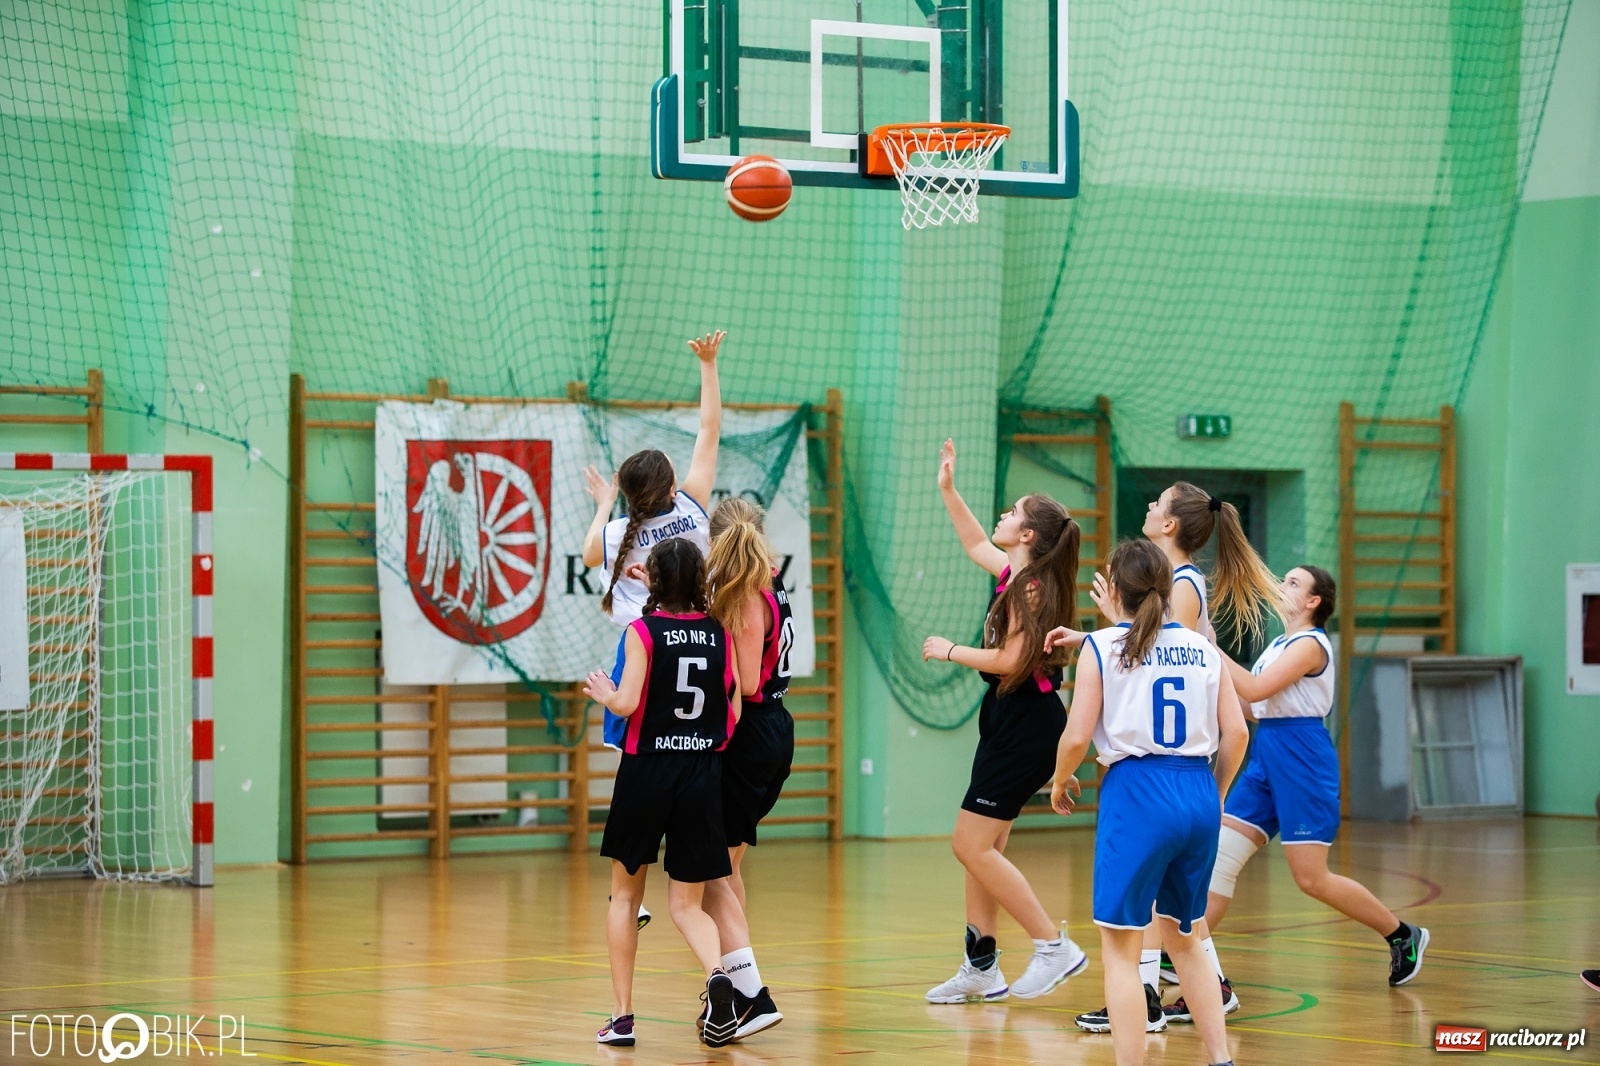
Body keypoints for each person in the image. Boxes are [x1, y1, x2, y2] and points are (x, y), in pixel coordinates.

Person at [1055, 482, 1278, 1028]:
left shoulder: (1181, 587)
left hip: (1161, 767)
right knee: (1177, 915)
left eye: (1157, 502)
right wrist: (1093, 636)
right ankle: (1198, 997)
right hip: (1186, 775)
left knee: (1154, 912)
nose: (1149, 506)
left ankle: (1146, 997)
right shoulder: (1180, 583)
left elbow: (1145, 653)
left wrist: (1098, 636)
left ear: (1171, 524)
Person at [1198, 565, 1431, 991]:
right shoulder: (1279, 644)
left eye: (1293, 582)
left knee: (1310, 878)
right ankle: (1193, 961)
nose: (1282, 586)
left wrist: (1206, 645)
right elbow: (1253, 708)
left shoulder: (1311, 645)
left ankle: (1402, 934)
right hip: (1268, 752)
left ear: (1312, 602)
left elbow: (1253, 689)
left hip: (1302, 756)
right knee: (1218, 861)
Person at [919, 439, 1089, 1004]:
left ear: (1028, 535)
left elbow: (1013, 660)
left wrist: (951, 651)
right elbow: (972, 539)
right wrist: (948, 489)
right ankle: (981, 966)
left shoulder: (1033, 587)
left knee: (970, 846)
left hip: (1027, 723)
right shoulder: (1014, 574)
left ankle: (1052, 945)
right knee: (983, 848)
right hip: (1009, 720)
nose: (1002, 515)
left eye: (1012, 512)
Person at [581, 328, 725, 931]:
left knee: (635, 763)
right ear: (668, 487)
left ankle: (632, 891)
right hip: (696, 640)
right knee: (689, 760)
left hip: (643, 650)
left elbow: (589, 554)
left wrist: (600, 504)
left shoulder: (618, 535)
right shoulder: (692, 506)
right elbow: (709, 431)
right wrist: (709, 366)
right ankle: (695, 875)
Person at [582, 538, 743, 1049]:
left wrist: (607, 694)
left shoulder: (641, 632)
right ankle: (718, 977)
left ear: (652, 581)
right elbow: (733, 706)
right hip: (700, 774)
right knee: (687, 906)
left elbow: (627, 703)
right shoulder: (718, 633)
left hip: (646, 772)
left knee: (626, 897)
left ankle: (623, 1018)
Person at [698, 497, 796, 1040]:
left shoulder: (744, 595)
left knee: (709, 869)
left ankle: (752, 994)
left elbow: (747, 684)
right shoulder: (770, 581)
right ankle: (739, 982)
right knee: (728, 867)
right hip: (772, 729)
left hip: (751, 732)